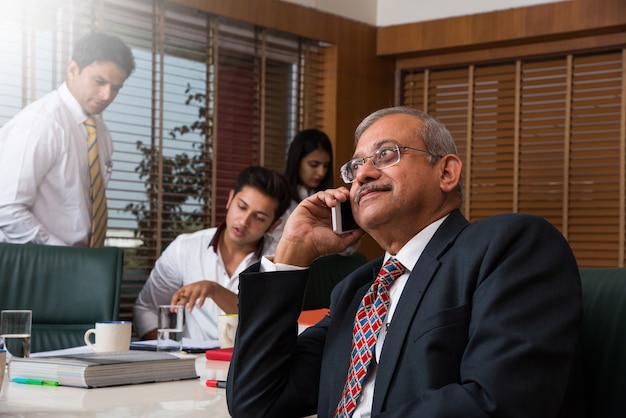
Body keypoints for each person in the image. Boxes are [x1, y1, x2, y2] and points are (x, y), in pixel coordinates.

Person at [226, 107, 584, 417]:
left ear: (446, 173)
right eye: (355, 167)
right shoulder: (354, 290)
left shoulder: (508, 247)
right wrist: (292, 252)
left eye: (385, 155)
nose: (363, 174)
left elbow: (498, 402)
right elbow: (258, 402)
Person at [0, 32, 135, 246]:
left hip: (80, 264)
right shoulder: (40, 122)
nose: (107, 95)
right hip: (37, 265)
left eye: (116, 88)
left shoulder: (101, 134)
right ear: (73, 70)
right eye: (99, 81)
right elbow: (6, 208)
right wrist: (62, 257)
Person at [133, 165, 291, 342]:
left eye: (259, 218)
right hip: (190, 363)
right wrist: (165, 352)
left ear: (274, 225)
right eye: (241, 207)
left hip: (248, 366)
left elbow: (265, 323)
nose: (244, 221)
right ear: (230, 199)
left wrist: (214, 290)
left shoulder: (279, 262)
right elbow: (146, 308)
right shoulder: (185, 248)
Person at [268, 128, 358, 255]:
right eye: (314, 164)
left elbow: (348, 249)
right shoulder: (278, 197)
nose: (321, 172)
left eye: (326, 166)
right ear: (297, 161)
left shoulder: (332, 199)